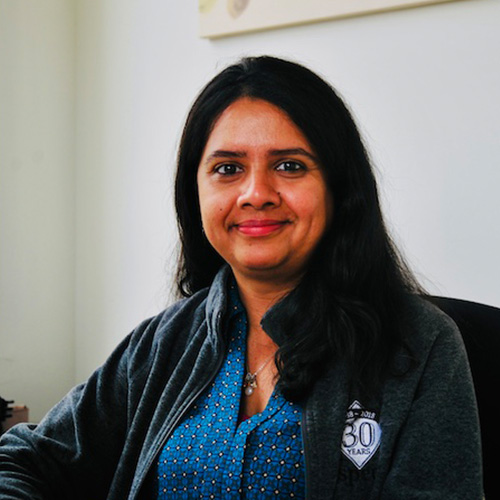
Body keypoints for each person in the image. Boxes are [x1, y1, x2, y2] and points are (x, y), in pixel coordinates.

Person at [0, 56, 483, 499]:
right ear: (196, 193)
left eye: (289, 166)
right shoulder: (161, 345)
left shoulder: (420, 345)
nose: (256, 193)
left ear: (339, 188)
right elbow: (25, 458)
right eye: (228, 168)